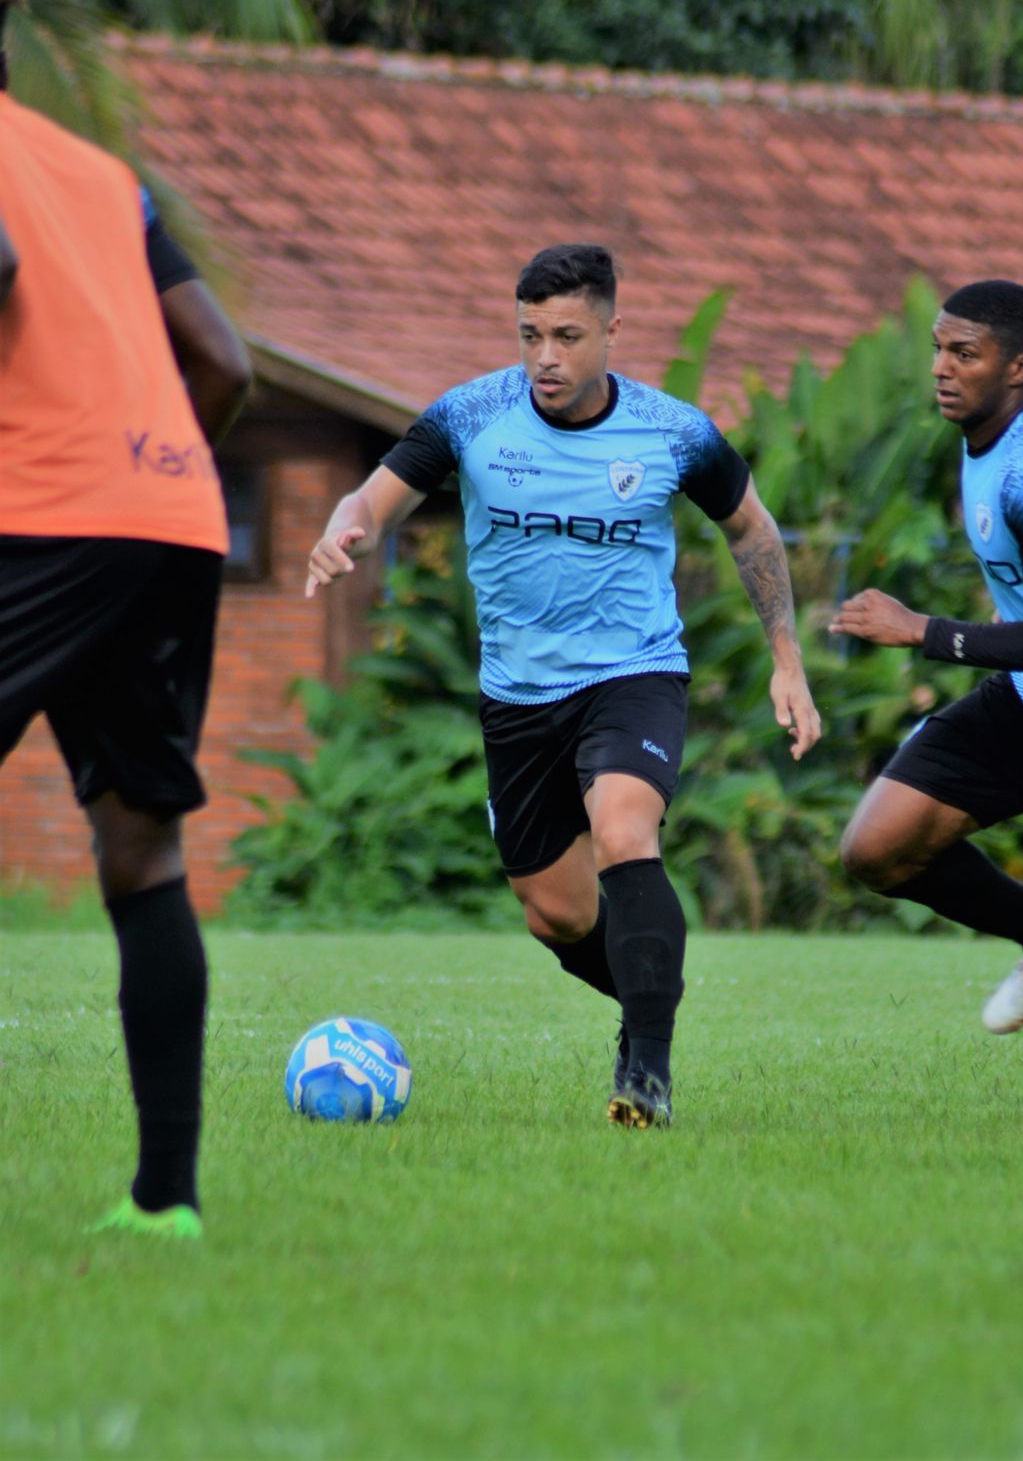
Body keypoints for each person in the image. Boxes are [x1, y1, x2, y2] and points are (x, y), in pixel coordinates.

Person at [307, 242, 821, 1127]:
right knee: (556, 916)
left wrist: (788, 662)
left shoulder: (672, 432)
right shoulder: (472, 415)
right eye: (531, 335)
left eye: (568, 336)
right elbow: (373, 498)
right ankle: (645, 998)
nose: (546, 356)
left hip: (634, 674)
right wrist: (344, 528)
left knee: (625, 831)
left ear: (613, 332)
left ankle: (646, 1078)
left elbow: (753, 531)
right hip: (517, 694)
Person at [0, 0, 252, 1237]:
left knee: (141, 850)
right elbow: (223, 360)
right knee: (142, 850)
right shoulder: (100, 175)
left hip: (39, 516)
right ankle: (166, 1202)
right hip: (172, 513)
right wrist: (138, 473)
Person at [830, 279, 1023, 1034]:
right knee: (877, 850)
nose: (940, 367)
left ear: (1019, 367)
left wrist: (921, 630)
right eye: (938, 349)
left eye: (965, 353)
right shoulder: (988, 440)